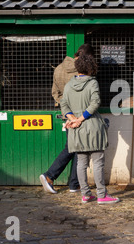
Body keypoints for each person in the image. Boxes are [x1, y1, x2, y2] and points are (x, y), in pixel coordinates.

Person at [61, 53, 119, 204]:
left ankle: (85, 194)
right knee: (98, 162)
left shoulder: (69, 85)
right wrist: (80, 119)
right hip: (92, 126)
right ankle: (101, 195)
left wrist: (73, 119)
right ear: (91, 67)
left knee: (81, 162)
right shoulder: (92, 83)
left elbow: (64, 105)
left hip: (76, 129)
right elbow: (95, 103)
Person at [39, 44, 94, 194]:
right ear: (88, 57)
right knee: (72, 148)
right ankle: (50, 175)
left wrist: (68, 112)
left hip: (68, 115)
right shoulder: (83, 71)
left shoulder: (58, 69)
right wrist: (78, 115)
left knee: (77, 148)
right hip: (82, 116)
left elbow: (55, 93)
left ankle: (74, 183)